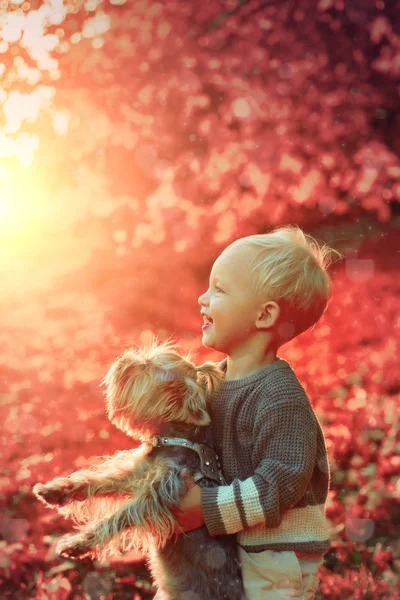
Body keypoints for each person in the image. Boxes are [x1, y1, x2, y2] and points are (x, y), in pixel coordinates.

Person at [175, 225, 340, 600]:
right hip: (235, 543)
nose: (203, 298)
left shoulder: (281, 397)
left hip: (277, 554)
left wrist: (205, 508)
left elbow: (279, 483)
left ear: (264, 316)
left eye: (219, 290)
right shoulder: (214, 381)